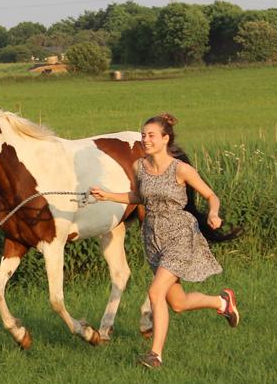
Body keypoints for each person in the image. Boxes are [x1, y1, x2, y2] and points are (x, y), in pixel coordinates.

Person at [89, 113, 239, 368]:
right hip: (153, 238)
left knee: (155, 292)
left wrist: (213, 213)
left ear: (165, 139)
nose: (145, 139)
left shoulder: (181, 169)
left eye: (151, 135)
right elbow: (138, 197)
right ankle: (222, 302)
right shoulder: (140, 167)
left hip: (180, 234)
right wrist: (107, 196)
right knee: (177, 304)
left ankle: (155, 355)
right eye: (143, 135)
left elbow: (210, 195)